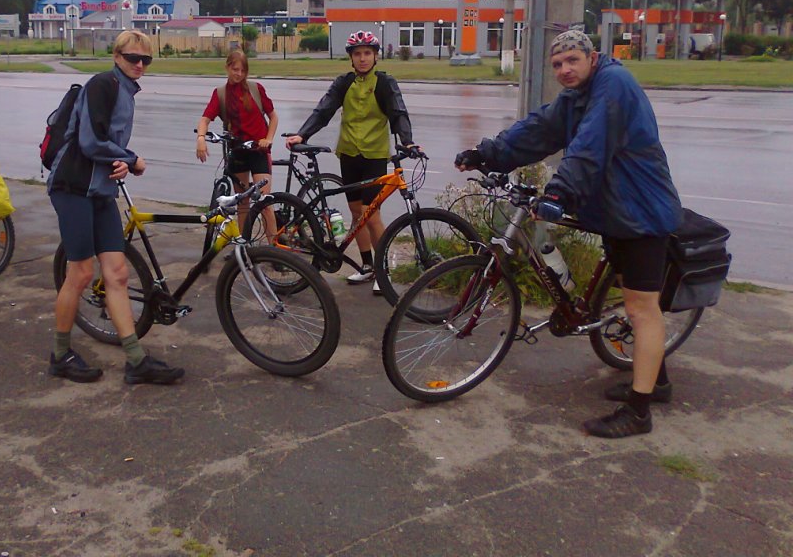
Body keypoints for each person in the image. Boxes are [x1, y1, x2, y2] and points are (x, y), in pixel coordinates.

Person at [455, 29, 681, 438]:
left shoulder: (614, 84)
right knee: (630, 295)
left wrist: (559, 191)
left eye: (572, 60)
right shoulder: (576, 95)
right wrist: (487, 153)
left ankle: (640, 412)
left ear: (592, 58)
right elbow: (539, 129)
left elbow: (591, 145)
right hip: (615, 211)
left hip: (642, 212)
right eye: (557, 64)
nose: (564, 69)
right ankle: (656, 378)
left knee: (641, 309)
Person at [47, 29, 184, 386]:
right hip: (73, 187)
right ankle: (60, 355)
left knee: (118, 273)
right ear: (116, 56)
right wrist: (131, 159)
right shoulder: (102, 85)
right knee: (80, 273)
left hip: (101, 191)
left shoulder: (126, 92)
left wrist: (121, 163)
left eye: (145, 60)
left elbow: (106, 147)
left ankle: (136, 361)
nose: (139, 65)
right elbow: (91, 142)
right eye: (132, 58)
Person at [286, 30, 420, 294]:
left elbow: (398, 112)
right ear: (351, 57)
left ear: (376, 56)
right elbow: (324, 110)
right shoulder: (344, 83)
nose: (362, 58)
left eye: (367, 53)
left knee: (373, 214)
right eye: (357, 54)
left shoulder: (384, 83)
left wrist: (407, 141)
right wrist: (303, 134)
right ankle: (367, 266)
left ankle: (383, 271)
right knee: (357, 213)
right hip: (348, 154)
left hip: (374, 155)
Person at [196, 48, 279, 239]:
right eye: (235, 69)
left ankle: (274, 247)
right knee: (242, 204)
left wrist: (268, 139)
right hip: (238, 151)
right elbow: (205, 119)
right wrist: (200, 138)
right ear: (227, 68)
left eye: (242, 70)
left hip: (258, 150)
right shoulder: (221, 94)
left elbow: (273, 117)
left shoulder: (256, 89)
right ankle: (244, 244)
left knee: (264, 203)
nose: (239, 74)